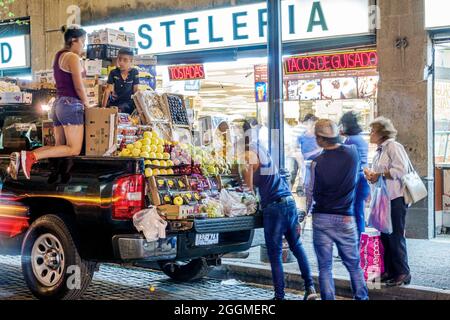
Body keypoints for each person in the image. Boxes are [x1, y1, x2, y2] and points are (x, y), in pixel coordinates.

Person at [241, 127, 317, 301]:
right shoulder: (263, 151)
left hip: (274, 208)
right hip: (289, 202)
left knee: (274, 253)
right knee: (297, 246)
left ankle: (279, 297)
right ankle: (310, 287)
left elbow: (248, 188)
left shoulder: (249, 156)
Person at [9, 25, 90, 180]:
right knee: (73, 148)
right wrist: (87, 103)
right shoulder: (72, 57)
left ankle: (25, 158)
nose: (83, 45)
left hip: (59, 104)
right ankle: (31, 157)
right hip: (71, 104)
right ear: (74, 40)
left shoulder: (59, 55)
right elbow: (78, 86)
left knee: (59, 147)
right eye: (83, 41)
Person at [306, 119, 369, 300]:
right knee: (353, 265)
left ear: (320, 139)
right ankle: (361, 297)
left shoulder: (316, 162)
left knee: (325, 266)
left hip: (321, 218)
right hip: (345, 218)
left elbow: (310, 192)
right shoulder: (352, 154)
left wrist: (305, 215)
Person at [364, 117, 411, 287]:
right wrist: (372, 176)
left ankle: (403, 272)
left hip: (395, 198)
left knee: (395, 235)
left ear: (381, 133)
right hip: (383, 199)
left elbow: (401, 170)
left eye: (372, 131)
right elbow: (380, 175)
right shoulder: (379, 151)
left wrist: (380, 175)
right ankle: (390, 271)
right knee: (385, 235)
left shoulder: (393, 146)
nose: (370, 134)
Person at [339, 112, 370, 239]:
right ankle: (359, 245)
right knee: (359, 212)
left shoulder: (350, 140)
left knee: (354, 213)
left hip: (355, 180)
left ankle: (355, 246)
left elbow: (345, 162)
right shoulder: (359, 138)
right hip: (362, 179)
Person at [101, 48, 139, 114]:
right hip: (115, 104)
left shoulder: (134, 72)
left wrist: (140, 108)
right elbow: (107, 90)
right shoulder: (113, 72)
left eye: (125, 60)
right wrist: (102, 109)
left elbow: (136, 91)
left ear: (131, 61)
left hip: (128, 104)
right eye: (119, 59)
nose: (121, 62)